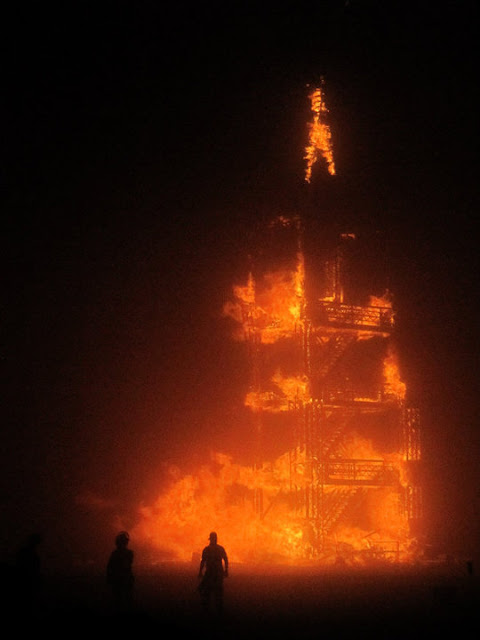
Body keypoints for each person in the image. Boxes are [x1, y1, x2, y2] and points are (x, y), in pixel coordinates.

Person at [198, 531, 229, 616]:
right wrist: (226, 570)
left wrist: (200, 572)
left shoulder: (207, 549)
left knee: (207, 592)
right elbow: (225, 559)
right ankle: (218, 612)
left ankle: (207, 612)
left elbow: (203, 561)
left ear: (210, 539)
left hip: (210, 573)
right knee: (217, 593)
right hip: (217, 573)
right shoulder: (220, 549)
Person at [106, 531, 134, 612]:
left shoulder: (116, 554)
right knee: (125, 599)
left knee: (119, 599)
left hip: (119, 579)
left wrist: (110, 578)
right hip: (124, 579)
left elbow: (110, 567)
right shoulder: (129, 553)